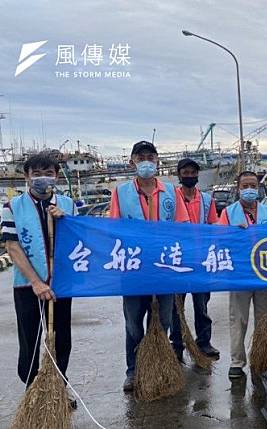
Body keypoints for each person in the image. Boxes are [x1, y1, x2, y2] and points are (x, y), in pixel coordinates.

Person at [109, 141, 190, 391]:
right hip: (133, 271)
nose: (146, 161)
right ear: (132, 161)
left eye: (150, 157)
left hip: (164, 270)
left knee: (163, 320)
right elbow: (114, 229)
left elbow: (183, 226)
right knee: (133, 323)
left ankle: (156, 363)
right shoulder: (120, 192)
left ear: (157, 161)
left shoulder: (170, 192)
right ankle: (133, 370)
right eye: (140, 157)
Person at [2, 153, 77, 404]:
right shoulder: (13, 206)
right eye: (36, 174)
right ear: (26, 177)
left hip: (60, 285)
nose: (42, 179)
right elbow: (12, 247)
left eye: (48, 173)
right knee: (30, 341)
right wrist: (36, 282)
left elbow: (79, 242)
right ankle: (33, 389)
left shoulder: (68, 204)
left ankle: (59, 387)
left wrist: (65, 221)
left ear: (56, 175)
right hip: (27, 286)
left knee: (61, 339)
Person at [218, 171, 267, 379]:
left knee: (264, 319)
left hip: (265, 272)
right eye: (245, 186)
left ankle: (261, 356)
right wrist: (234, 233)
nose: (249, 189)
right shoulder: (228, 213)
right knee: (238, 319)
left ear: (258, 187)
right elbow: (219, 240)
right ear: (238, 188)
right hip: (239, 274)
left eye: (253, 185)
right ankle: (236, 362)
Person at [169, 158, 220, 362]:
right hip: (178, 260)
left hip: (200, 261)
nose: (189, 176)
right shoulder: (171, 198)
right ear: (179, 175)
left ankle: (204, 342)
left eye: (193, 172)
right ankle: (177, 344)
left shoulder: (207, 200)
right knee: (175, 307)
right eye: (186, 172)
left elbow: (213, 226)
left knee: (202, 305)